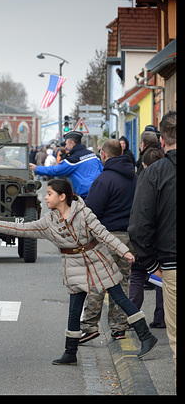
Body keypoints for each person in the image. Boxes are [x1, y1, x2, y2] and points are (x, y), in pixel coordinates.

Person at [0, 179, 158, 364]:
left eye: (50, 193)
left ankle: (146, 337)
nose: (46, 197)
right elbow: (25, 228)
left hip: (97, 260)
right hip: (73, 265)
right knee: (74, 310)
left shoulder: (84, 213)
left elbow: (103, 234)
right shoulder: (49, 221)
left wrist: (124, 251)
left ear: (62, 196)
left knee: (120, 298)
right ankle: (70, 353)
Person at [128, 111, 176, 372]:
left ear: (163, 141)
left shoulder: (153, 173)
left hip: (170, 264)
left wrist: (150, 264)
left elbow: (138, 226)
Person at [79, 139, 137, 343]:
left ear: (103, 154)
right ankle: (119, 327)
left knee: (98, 282)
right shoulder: (134, 178)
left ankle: (90, 326)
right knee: (121, 283)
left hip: (106, 237)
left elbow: (91, 211)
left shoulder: (104, 180)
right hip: (128, 238)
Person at [128, 147, 165, 329]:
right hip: (162, 238)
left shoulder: (141, 180)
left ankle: (133, 318)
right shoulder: (167, 179)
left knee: (137, 275)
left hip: (143, 236)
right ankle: (161, 317)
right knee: (160, 278)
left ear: (144, 165)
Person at [30, 131, 103, 199]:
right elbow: (102, 169)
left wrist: (36, 168)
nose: (66, 147)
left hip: (87, 195)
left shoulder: (73, 160)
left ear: (72, 143)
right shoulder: (93, 155)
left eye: (67, 144)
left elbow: (56, 170)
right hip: (101, 190)